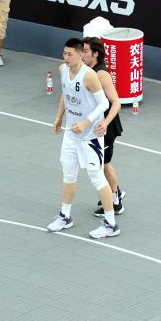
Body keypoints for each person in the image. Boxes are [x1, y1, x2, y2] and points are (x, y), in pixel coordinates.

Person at [47, 38, 120, 239]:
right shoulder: (62, 70)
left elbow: (104, 103)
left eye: (70, 54)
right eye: (64, 53)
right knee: (68, 174)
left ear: (80, 54)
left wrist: (86, 123)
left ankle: (111, 224)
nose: (66, 57)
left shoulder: (90, 76)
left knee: (97, 176)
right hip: (71, 134)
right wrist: (59, 116)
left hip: (90, 136)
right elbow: (65, 94)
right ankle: (65, 216)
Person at [81, 37, 125, 215]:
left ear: (95, 54)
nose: (81, 54)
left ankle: (116, 202)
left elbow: (116, 102)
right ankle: (114, 191)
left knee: (104, 165)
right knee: (99, 163)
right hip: (95, 125)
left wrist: (105, 123)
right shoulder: (86, 70)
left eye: (85, 51)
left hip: (106, 127)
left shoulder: (101, 74)